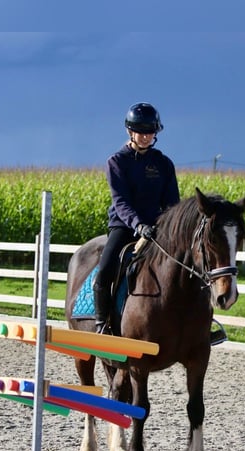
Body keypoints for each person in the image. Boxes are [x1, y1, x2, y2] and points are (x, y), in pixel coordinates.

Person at [93, 102, 180, 334]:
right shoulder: (116, 162)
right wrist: (139, 225)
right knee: (105, 269)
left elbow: (172, 203)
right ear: (130, 132)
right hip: (125, 226)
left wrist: (166, 226)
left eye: (150, 132)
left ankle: (199, 323)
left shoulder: (164, 163)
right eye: (141, 132)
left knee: (188, 263)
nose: (145, 136)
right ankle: (102, 322)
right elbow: (120, 202)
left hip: (158, 228)